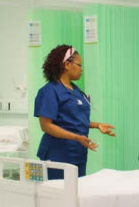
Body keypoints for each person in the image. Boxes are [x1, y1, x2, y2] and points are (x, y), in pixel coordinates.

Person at [34, 45, 116, 179]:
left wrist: (96, 125)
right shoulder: (50, 91)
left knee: (75, 195)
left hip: (77, 154)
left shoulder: (76, 90)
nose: (81, 69)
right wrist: (76, 137)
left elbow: (73, 119)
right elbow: (46, 126)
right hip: (57, 156)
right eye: (79, 65)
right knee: (59, 196)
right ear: (67, 64)